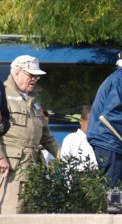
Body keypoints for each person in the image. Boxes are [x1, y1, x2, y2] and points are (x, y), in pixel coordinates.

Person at [0, 55, 60, 214]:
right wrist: (1, 157)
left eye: (37, 76)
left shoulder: (34, 100)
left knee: (32, 215)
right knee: (11, 212)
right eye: (31, 75)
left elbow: (46, 135)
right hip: (12, 168)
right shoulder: (3, 94)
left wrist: (62, 155)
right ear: (16, 72)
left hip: (33, 168)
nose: (35, 79)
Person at [87, 48, 122, 185]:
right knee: (114, 195)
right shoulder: (119, 81)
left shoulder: (119, 80)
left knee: (115, 192)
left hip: (109, 143)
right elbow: (112, 114)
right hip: (109, 144)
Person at [61, 105, 98, 169]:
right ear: (81, 121)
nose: (92, 127)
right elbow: (65, 166)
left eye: (94, 124)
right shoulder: (70, 139)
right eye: (89, 124)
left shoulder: (99, 141)